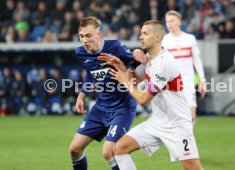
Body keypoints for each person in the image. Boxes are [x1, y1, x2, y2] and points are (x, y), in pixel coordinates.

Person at [98, 20, 203, 170]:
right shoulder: (149, 60)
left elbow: (143, 99)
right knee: (119, 149)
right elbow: (133, 79)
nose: (140, 37)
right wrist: (120, 65)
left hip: (177, 124)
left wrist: (125, 81)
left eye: (145, 33)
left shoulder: (164, 63)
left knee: (193, 168)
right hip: (157, 122)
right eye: (141, 33)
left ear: (157, 37)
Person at [69, 16, 139, 170]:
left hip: (122, 107)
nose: (84, 40)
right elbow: (90, 73)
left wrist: (137, 52)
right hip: (101, 107)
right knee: (74, 149)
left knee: (109, 152)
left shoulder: (116, 47)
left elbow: (138, 67)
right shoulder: (81, 52)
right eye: (81, 36)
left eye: (88, 35)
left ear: (98, 34)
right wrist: (81, 96)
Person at [162, 10, 207, 124]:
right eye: (167, 21)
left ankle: (186, 140)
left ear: (179, 22)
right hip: (171, 84)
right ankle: (180, 140)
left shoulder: (190, 38)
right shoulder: (164, 41)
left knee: (191, 116)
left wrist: (202, 80)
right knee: (173, 118)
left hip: (187, 83)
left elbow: (197, 60)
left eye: (172, 21)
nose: (169, 24)